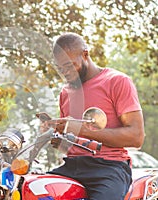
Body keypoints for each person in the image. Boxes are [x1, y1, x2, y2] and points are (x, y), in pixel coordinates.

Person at [46, 32, 145, 200]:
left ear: (85, 55)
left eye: (70, 66)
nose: (66, 73)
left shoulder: (117, 81)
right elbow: (70, 141)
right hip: (71, 166)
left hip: (109, 168)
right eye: (61, 69)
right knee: (30, 188)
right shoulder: (65, 92)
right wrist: (59, 139)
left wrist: (82, 129)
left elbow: (136, 137)